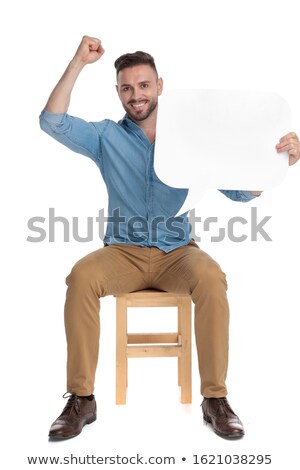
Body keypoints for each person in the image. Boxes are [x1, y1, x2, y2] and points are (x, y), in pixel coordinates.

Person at [39, 35, 300, 441]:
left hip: (178, 254)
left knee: (212, 278)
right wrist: (77, 62)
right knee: (81, 277)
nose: (136, 95)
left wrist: (279, 159)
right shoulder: (105, 137)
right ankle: (81, 398)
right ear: (118, 93)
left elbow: (239, 191)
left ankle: (215, 399)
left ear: (160, 86)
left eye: (144, 85)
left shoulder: (190, 138)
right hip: (122, 253)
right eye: (127, 88)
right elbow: (51, 121)